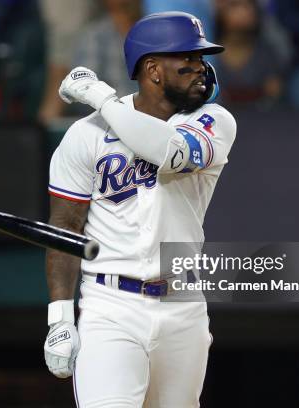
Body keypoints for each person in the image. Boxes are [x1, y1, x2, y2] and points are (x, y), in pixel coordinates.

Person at [43, 11, 237, 407]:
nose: (202, 68)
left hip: (182, 304)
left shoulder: (214, 120)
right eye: (188, 59)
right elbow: (65, 226)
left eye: (202, 58)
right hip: (111, 304)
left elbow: (168, 151)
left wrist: (102, 97)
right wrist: (60, 318)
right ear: (153, 69)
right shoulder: (87, 135)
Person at [213, 0, 289, 108]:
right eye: (235, 6)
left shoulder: (267, 53)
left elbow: (274, 92)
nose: (245, 12)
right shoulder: (209, 54)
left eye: (249, 7)